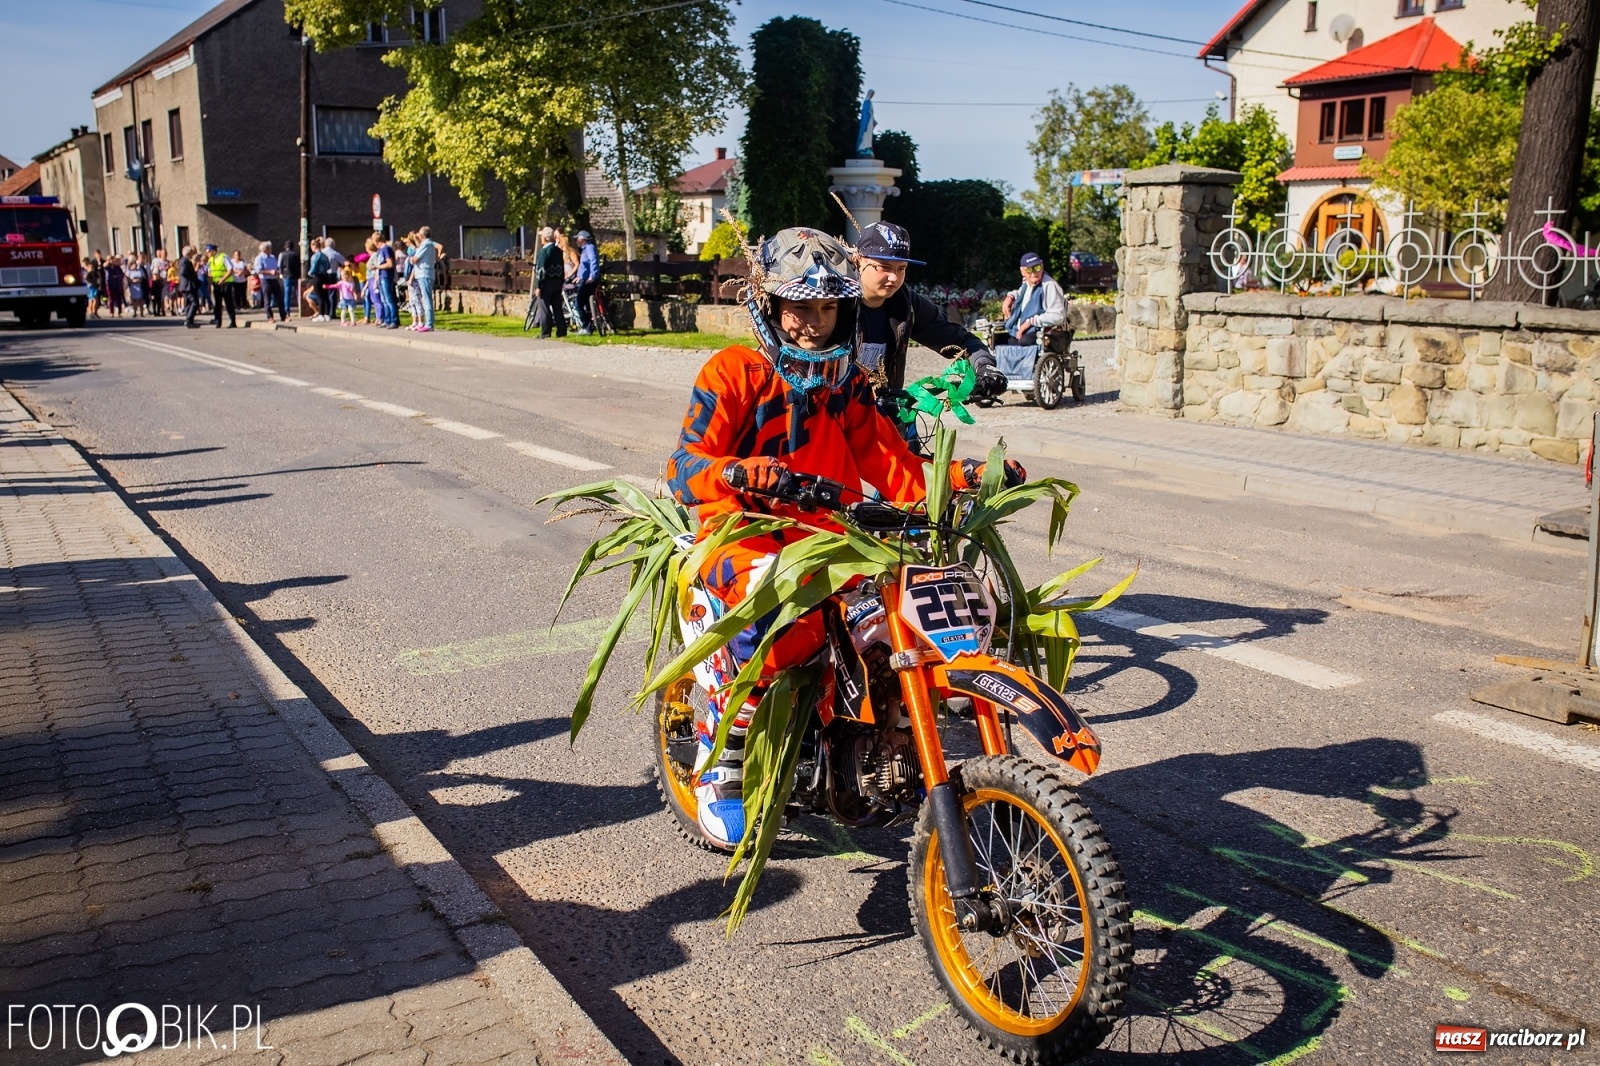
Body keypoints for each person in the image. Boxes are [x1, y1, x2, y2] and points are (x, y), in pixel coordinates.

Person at [663, 227, 1024, 847]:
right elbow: (681, 467)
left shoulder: (849, 382)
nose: (814, 323)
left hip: (831, 536)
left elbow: (891, 466)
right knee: (778, 606)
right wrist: (735, 471)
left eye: (828, 307)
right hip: (742, 532)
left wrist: (959, 478)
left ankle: (879, 740)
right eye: (800, 306)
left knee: (898, 624)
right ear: (770, 305)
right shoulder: (731, 372)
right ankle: (721, 755)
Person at [853, 221, 1006, 397]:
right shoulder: (832, 303)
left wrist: (984, 366)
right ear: (858, 260)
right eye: (884, 267)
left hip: (884, 415)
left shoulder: (906, 304)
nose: (894, 277)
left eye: (901, 268)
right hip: (832, 416)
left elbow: (961, 341)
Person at [1000, 251, 1066, 346]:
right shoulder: (1026, 284)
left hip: (1038, 332)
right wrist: (1009, 297)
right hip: (1017, 331)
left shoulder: (1050, 286)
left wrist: (1031, 322)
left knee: (1023, 343)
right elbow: (1020, 294)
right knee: (998, 341)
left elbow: (1058, 316)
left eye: (1037, 268)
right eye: (1029, 270)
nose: (1034, 273)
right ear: (1023, 272)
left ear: (1042, 267)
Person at [534, 226, 568, 338]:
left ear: (544, 238)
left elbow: (541, 271)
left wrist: (539, 286)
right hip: (558, 282)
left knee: (544, 307)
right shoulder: (558, 250)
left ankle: (545, 332)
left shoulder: (544, 252)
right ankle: (562, 331)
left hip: (547, 283)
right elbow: (562, 267)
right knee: (557, 308)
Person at [408, 226, 438, 332]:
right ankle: (428, 323)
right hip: (423, 274)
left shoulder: (426, 244)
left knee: (426, 299)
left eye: (419, 234)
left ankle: (429, 324)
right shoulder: (426, 244)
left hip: (424, 274)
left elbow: (415, 259)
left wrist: (411, 259)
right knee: (425, 298)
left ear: (422, 235)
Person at [573, 230, 599, 334]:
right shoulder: (585, 249)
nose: (576, 241)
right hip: (584, 279)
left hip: (588, 280)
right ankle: (590, 326)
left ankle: (586, 326)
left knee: (578, 304)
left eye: (577, 239)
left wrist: (592, 276)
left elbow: (593, 261)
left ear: (581, 239)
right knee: (586, 305)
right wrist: (579, 276)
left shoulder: (589, 248)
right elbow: (585, 265)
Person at [370, 233, 398, 327]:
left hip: (386, 276)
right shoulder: (380, 250)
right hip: (381, 276)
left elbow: (390, 264)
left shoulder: (386, 249)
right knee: (384, 299)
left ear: (376, 240)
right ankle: (387, 319)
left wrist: (377, 266)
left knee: (389, 299)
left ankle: (394, 320)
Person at [207, 245, 237, 327]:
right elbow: (210, 274)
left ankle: (232, 322)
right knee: (217, 304)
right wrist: (209, 286)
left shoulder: (223, 257)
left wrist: (222, 279)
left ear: (213, 251)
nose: (208, 254)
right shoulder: (210, 260)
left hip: (226, 283)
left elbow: (230, 270)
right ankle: (218, 321)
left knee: (228, 303)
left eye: (209, 251)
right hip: (216, 284)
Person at [252, 242, 281, 322]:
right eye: (269, 248)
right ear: (265, 249)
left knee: (280, 298)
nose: (271, 249)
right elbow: (258, 271)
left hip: (274, 279)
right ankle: (270, 317)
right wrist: (269, 272)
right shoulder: (259, 258)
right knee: (267, 299)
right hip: (266, 280)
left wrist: (277, 271)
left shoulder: (272, 257)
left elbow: (277, 267)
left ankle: (284, 316)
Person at [306, 238, 331, 321]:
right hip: (325, 276)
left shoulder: (315, 256)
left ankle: (321, 314)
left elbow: (314, 268)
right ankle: (327, 314)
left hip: (318, 277)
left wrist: (309, 273)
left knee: (319, 296)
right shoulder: (325, 256)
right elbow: (328, 266)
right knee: (325, 296)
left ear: (313, 246)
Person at [177, 245, 201, 328]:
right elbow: (184, 272)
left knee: (188, 303)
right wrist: (192, 277)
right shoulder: (185, 261)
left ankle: (189, 321)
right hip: (188, 285)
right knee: (195, 303)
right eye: (191, 252)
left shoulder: (183, 260)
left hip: (185, 285)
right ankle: (188, 320)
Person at [278, 239, 301, 319]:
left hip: (286, 276)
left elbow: (280, 265)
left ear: (285, 246)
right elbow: (299, 265)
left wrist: (281, 274)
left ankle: (287, 311)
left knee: (287, 294)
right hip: (296, 276)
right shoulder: (296, 254)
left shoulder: (282, 254)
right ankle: (300, 309)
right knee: (298, 293)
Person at [149, 248, 169, 315]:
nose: (164, 255)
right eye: (163, 254)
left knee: (166, 295)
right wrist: (158, 278)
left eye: (165, 253)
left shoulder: (168, 262)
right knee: (161, 296)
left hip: (167, 281)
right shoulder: (157, 261)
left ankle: (164, 309)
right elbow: (154, 271)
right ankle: (161, 309)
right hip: (159, 281)